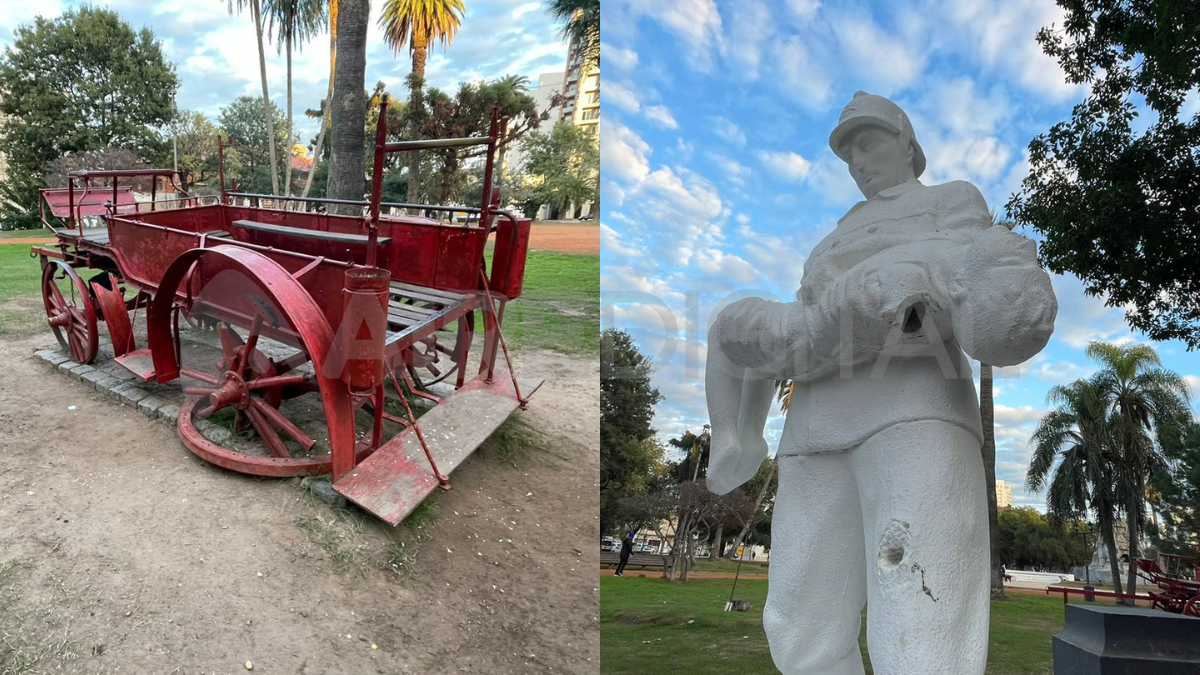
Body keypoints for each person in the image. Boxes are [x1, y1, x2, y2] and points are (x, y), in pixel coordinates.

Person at [705, 91, 1056, 675]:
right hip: (815, 424)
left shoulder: (951, 200)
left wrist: (889, 287)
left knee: (919, 615)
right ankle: (736, 440)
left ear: (907, 144)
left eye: (867, 145)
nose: (858, 163)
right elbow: (802, 328)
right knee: (798, 623)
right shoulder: (832, 238)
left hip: (913, 411)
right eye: (849, 155)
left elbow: (972, 281)